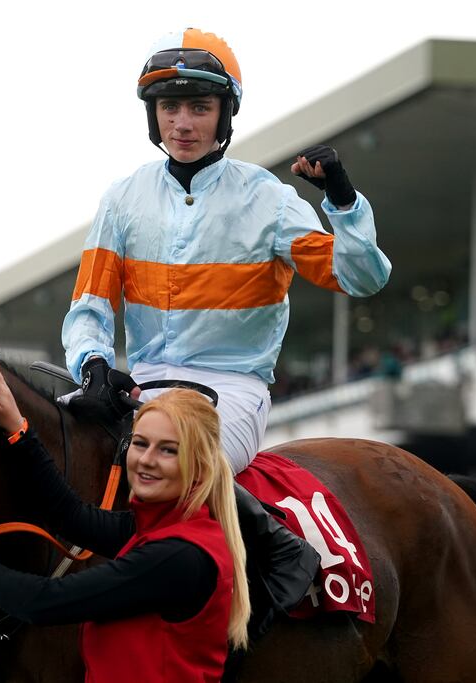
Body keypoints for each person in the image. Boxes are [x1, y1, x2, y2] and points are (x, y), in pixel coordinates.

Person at [60, 27, 387, 612]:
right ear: (153, 116)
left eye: (199, 108)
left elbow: (362, 278)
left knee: (180, 469)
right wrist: (92, 365)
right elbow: (89, 307)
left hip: (230, 391)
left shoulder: (269, 199)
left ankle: (279, 555)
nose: (182, 123)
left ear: (225, 114)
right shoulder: (122, 199)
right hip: (142, 383)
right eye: (169, 108)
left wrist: (342, 199)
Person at [0, 346, 250, 682]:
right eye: (140, 444)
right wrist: (18, 429)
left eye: (168, 450)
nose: (147, 460)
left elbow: (47, 602)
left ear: (199, 465)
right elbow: (73, 516)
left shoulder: (179, 555)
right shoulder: (161, 529)